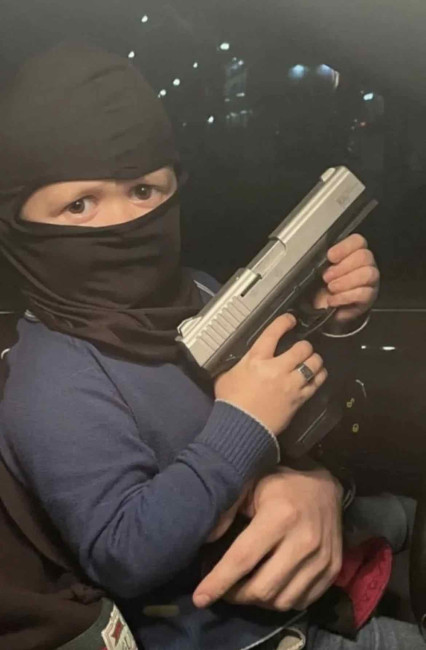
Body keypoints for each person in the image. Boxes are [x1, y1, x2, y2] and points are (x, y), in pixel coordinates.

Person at [0, 43, 423, 650]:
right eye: (80, 204)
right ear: (19, 223)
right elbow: (123, 553)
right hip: (241, 634)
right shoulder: (51, 381)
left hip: (321, 560)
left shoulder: (199, 293)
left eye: (144, 191)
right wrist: (243, 421)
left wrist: (325, 321)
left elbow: (298, 414)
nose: (122, 223)